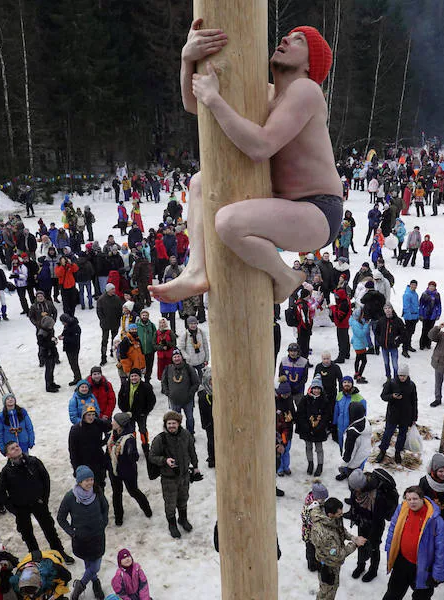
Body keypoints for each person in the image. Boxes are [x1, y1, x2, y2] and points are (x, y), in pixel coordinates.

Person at [150, 24, 343, 306]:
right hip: (284, 204)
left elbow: (260, 146)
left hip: (319, 209)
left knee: (229, 223)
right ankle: (197, 269)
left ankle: (286, 276)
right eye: (287, 35)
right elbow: (194, 104)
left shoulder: (307, 90)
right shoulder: (266, 95)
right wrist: (187, 59)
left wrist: (215, 99)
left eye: (299, 41)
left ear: (310, 64)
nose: (286, 39)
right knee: (201, 182)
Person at [0, 441, 74, 563]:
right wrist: (14, 509)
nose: (16, 449)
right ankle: (35, 556)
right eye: (12, 449)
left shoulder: (33, 462)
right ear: (7, 455)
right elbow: (2, 493)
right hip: (21, 507)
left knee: (49, 529)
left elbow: (45, 479)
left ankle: (59, 552)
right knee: (27, 533)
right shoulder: (6, 472)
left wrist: (44, 499)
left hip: (38, 502)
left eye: (17, 446)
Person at [382, 486, 444, 600]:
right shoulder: (402, 510)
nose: (412, 502)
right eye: (409, 499)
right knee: (392, 594)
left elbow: (442, 550)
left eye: (415, 498)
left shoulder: (435, 520)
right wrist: (390, 551)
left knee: (421, 597)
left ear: (422, 498)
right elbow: (392, 531)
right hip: (402, 562)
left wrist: (437, 575)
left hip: (423, 567)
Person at [57, 466, 110, 600]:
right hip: (82, 539)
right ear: (79, 482)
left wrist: (103, 522)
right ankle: (95, 582)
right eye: (86, 480)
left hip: (98, 536)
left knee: (95, 566)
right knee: (89, 564)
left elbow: (105, 507)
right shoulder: (70, 497)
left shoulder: (97, 491)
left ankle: (80, 585)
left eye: (91, 479)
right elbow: (61, 518)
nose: (90, 483)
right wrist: (72, 532)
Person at [148, 410, 200, 538]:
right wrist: (165, 460)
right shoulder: (160, 439)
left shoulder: (186, 435)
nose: (171, 426)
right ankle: (172, 524)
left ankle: (183, 519)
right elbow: (152, 456)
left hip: (184, 476)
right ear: (165, 424)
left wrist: (196, 466)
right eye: (169, 423)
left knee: (183, 499)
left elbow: (192, 451)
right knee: (170, 503)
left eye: (174, 423)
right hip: (168, 478)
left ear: (179, 424)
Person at [309, 497, 366, 599]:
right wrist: (355, 544)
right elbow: (338, 555)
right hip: (328, 565)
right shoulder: (324, 534)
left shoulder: (332, 519)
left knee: (329, 588)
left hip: (333, 562)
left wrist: (353, 538)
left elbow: (340, 530)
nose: (342, 515)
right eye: (339, 514)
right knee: (328, 589)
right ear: (330, 514)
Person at [376, 362, 417, 464]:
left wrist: (414, 417)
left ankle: (398, 452)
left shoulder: (411, 385)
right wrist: (392, 396)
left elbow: (414, 401)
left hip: (406, 414)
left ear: (407, 375)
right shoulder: (391, 383)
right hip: (393, 413)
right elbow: (383, 396)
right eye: (400, 375)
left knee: (402, 435)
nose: (402, 377)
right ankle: (382, 451)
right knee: (388, 433)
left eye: (404, 375)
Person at [160, 349, 200, 434]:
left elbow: (196, 383)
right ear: (172, 358)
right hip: (174, 400)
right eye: (175, 357)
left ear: (181, 357)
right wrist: (168, 393)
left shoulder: (188, 368)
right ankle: (177, 434)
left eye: (178, 356)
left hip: (188, 400)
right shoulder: (168, 369)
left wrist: (190, 393)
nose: (177, 358)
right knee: (175, 419)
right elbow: (163, 382)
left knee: (189, 418)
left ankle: (190, 434)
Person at [337, 402, 371, 481]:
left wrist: (343, 463)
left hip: (354, 460)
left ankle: (352, 482)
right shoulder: (365, 421)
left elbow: (349, 452)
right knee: (359, 469)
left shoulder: (353, 433)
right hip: (363, 453)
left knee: (353, 477)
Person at [96, 283, 123, 366]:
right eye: (112, 289)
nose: (114, 290)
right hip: (105, 324)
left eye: (114, 289)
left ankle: (113, 352)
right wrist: (103, 320)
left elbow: (120, 310)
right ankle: (103, 357)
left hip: (115, 323)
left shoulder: (117, 298)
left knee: (114, 339)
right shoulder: (101, 299)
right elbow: (99, 311)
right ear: (108, 290)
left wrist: (118, 319)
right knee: (104, 340)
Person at [37, 316, 61, 393]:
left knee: (52, 368)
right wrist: (52, 343)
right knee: (49, 369)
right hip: (47, 353)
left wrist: (54, 340)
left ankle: (52, 382)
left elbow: (50, 338)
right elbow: (41, 344)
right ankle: (48, 386)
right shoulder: (41, 333)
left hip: (52, 351)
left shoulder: (49, 330)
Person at [197, 367, 215, 468]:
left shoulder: (221, 391)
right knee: (211, 440)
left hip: (219, 421)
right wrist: (205, 424)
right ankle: (212, 458)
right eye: (211, 380)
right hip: (209, 421)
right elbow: (202, 410)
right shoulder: (204, 394)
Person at [417, 282, 441, 350]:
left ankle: (428, 344)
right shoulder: (424, 294)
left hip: (433, 315)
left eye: (433, 286)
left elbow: (439, 305)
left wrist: (438, 314)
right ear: (428, 286)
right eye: (430, 286)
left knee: (431, 330)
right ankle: (422, 344)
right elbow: (420, 305)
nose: (431, 287)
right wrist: (420, 314)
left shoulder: (437, 294)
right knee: (424, 329)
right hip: (425, 314)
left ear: (435, 287)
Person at [401, 280, 420, 356]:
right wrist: (409, 317)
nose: (414, 286)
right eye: (412, 285)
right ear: (410, 285)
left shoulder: (415, 294)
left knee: (411, 332)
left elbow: (416, 306)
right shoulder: (407, 294)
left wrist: (417, 316)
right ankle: (404, 349)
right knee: (407, 334)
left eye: (415, 285)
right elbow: (406, 306)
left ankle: (408, 346)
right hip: (409, 317)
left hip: (414, 316)